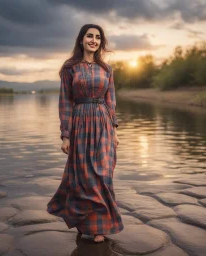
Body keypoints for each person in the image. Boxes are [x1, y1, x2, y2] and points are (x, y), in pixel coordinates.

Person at [46, 24, 124, 243]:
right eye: (89, 36)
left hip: (103, 124)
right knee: (83, 177)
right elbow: (65, 103)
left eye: (98, 37)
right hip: (80, 123)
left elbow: (111, 101)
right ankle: (84, 223)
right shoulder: (70, 67)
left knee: (103, 175)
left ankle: (101, 226)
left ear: (101, 42)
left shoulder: (107, 69)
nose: (94, 40)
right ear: (81, 40)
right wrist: (65, 135)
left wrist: (115, 131)